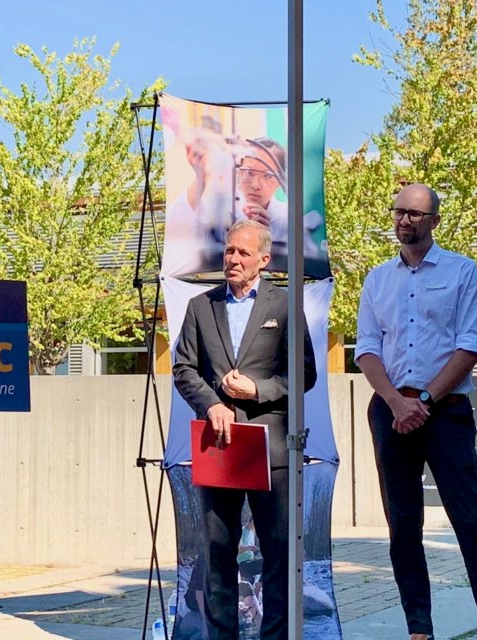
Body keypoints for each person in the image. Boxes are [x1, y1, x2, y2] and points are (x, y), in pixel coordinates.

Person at [355, 183, 477, 640]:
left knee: (471, 525)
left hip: (444, 414)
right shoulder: (377, 279)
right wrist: (395, 402)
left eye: (415, 214)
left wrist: (423, 402)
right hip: (390, 411)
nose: (404, 220)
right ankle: (418, 630)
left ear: (434, 222)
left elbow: (470, 346)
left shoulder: (464, 272)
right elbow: (367, 349)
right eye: (398, 211)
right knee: (403, 526)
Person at [173, 219, 317, 640]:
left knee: (277, 555)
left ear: (264, 260)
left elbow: (303, 374)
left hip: (271, 450)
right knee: (217, 554)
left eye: (243, 253)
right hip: (218, 447)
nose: (233, 259)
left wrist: (258, 390)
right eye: (229, 251)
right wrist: (212, 403)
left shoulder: (285, 306)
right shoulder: (202, 306)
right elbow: (183, 368)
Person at [161, 134, 325, 277]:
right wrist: (201, 177)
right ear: (239, 174)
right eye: (249, 172)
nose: (255, 184)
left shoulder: (290, 220)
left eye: (267, 176)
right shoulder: (221, 212)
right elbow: (178, 228)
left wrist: (268, 238)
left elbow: (308, 268)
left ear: (279, 181)